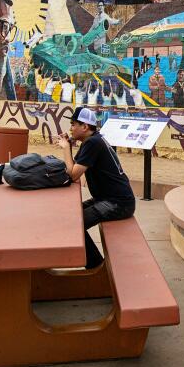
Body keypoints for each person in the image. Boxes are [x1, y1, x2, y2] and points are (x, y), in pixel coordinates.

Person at [55, 106, 136, 269]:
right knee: (71, 215)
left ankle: (96, 268)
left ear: (84, 127)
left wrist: (65, 148)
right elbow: (74, 167)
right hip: (107, 199)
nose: (70, 128)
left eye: (73, 124)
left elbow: (73, 174)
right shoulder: (93, 140)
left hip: (118, 203)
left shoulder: (92, 143)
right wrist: (69, 146)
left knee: (76, 223)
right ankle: (95, 266)